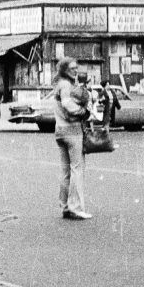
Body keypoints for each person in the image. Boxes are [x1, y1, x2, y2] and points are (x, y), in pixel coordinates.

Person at [53, 57, 92, 220]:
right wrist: (84, 112)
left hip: (59, 131)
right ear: (64, 70)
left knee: (65, 171)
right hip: (72, 131)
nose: (75, 70)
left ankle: (64, 206)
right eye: (72, 68)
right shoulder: (66, 85)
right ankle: (75, 207)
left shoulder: (58, 84)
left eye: (76, 68)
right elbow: (68, 104)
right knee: (77, 169)